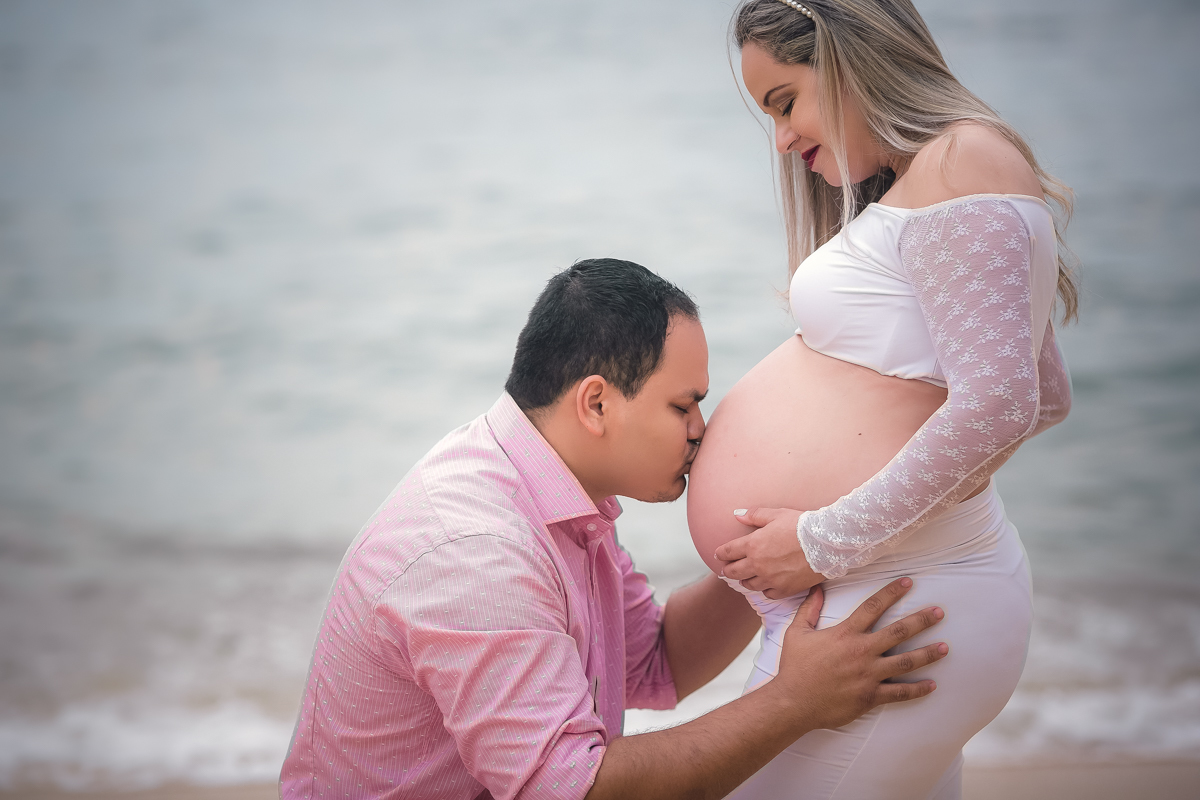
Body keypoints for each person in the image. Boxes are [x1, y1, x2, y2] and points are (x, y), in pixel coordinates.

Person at [280, 258, 951, 800]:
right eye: (682, 404)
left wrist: (767, 557)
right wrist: (796, 701)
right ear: (596, 402)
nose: (701, 429)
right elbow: (571, 790)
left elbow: (653, 662)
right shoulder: (477, 552)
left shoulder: (553, 491)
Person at [684, 1, 1076, 798]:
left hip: (900, 604)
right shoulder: (930, 179)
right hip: (883, 598)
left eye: (785, 102)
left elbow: (1003, 404)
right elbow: (1046, 396)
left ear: (847, 54)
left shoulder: (960, 159)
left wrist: (824, 541)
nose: (784, 140)